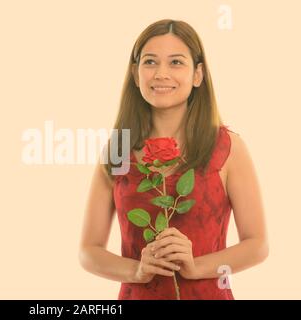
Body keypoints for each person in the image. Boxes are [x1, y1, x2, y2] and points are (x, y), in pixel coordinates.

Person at [78, 19, 269, 299]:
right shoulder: (118, 149)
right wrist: (137, 271)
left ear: (198, 74)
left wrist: (195, 267)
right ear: (135, 73)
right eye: (150, 62)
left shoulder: (228, 148)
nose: (161, 73)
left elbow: (257, 245)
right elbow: (88, 251)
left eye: (176, 62)